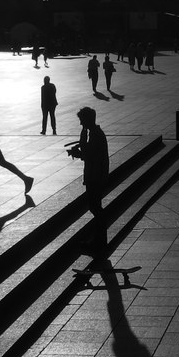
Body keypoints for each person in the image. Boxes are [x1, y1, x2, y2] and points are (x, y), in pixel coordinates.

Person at [68, 106, 109, 252]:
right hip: (95, 175)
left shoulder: (95, 135)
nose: (80, 124)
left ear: (87, 119)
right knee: (95, 207)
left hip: (95, 176)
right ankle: (98, 239)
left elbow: (88, 155)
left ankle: (99, 241)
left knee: (95, 207)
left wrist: (78, 151)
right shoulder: (95, 133)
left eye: (81, 120)